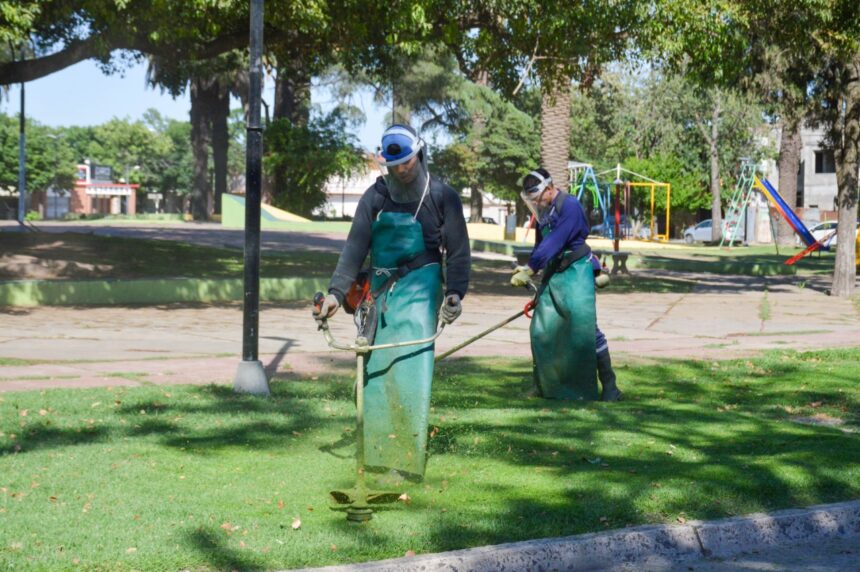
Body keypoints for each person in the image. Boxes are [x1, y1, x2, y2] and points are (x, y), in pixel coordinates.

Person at [315, 124, 470, 478]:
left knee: (408, 367)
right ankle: (378, 453)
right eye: (394, 165)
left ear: (420, 155)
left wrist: (454, 293)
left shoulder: (441, 196)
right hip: (380, 290)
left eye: (407, 162)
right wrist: (336, 294)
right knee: (374, 372)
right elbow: (354, 248)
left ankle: (405, 460)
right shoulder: (375, 198)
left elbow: (459, 253)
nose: (401, 170)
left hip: (421, 287)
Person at [511, 168, 622, 402]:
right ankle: (543, 386)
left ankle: (610, 387)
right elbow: (541, 245)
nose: (536, 203)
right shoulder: (544, 212)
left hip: (576, 272)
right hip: (555, 274)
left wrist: (531, 268)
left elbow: (556, 240)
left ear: (549, 189)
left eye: (537, 198)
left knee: (586, 331)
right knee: (541, 330)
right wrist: (528, 268)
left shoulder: (570, 206)